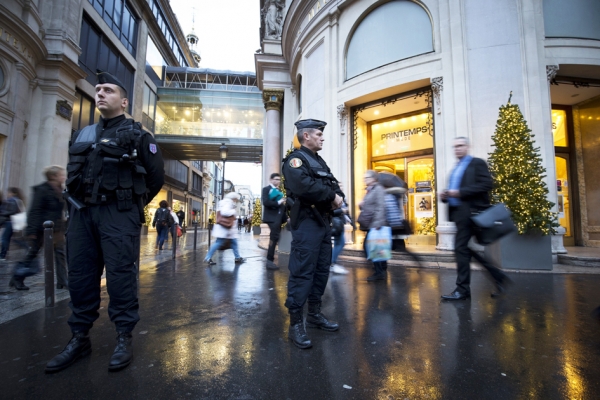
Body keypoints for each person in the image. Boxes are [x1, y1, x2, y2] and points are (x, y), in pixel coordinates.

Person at [45, 70, 165, 373]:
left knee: (121, 275)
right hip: (82, 215)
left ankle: (124, 337)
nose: (100, 94)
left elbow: (155, 178)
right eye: (98, 89)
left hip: (117, 213)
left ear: (123, 101)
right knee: (82, 276)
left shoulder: (139, 136)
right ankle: (79, 338)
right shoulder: (83, 134)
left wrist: (128, 205)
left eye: (108, 90)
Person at [281, 118, 344, 349]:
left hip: (323, 223)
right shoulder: (295, 160)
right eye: (318, 134)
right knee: (302, 272)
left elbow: (335, 185)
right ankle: (296, 324)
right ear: (305, 136)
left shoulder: (319, 162)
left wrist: (338, 196)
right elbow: (303, 187)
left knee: (320, 270)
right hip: (307, 223)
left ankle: (315, 314)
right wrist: (331, 196)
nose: (323, 137)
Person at [440, 136, 510, 300]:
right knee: (464, 249)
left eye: (460, 145)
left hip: (471, 213)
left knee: (460, 249)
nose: (457, 149)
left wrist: (459, 192)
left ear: (468, 146)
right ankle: (498, 277)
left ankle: (462, 290)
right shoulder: (456, 168)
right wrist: (445, 195)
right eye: (455, 146)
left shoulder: (476, 163)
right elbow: (453, 191)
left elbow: (487, 184)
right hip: (459, 214)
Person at [9, 166, 69, 291]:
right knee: (32, 254)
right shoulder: (42, 190)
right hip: (41, 230)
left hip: (56, 229)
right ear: (53, 176)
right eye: (61, 175)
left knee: (60, 254)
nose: (63, 177)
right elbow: (34, 211)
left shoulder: (61, 190)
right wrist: (31, 231)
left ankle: (62, 280)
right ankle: (17, 277)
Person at [358, 171, 388, 281]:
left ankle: (379, 272)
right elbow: (370, 206)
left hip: (376, 224)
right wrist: (362, 205)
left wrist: (378, 224)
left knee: (369, 247)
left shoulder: (378, 189)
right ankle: (382, 269)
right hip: (371, 223)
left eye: (366, 177)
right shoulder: (370, 189)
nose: (364, 179)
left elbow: (381, 206)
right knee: (377, 247)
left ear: (373, 178)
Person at [204, 192, 246, 265]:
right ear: (233, 198)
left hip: (226, 228)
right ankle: (207, 257)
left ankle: (237, 257)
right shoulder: (228, 202)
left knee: (233, 242)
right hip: (224, 227)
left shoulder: (225, 202)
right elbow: (225, 212)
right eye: (236, 199)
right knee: (219, 243)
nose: (236, 201)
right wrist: (233, 212)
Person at [262, 173, 287, 270]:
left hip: (278, 218)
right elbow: (266, 202)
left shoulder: (279, 191)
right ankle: (269, 261)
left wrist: (286, 218)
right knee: (274, 237)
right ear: (271, 179)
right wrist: (278, 202)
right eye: (276, 179)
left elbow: (282, 207)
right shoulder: (266, 189)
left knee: (275, 237)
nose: (278, 181)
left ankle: (270, 260)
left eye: (279, 180)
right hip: (271, 218)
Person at [0, 187, 27, 261]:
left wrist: (3, 213)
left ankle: (2, 255)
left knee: (5, 238)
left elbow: (11, 211)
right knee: (12, 239)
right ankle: (28, 247)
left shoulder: (12, 200)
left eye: (9, 193)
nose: (8, 194)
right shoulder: (18, 200)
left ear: (13, 193)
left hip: (10, 222)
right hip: (13, 222)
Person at [330, 183, 350, 274]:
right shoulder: (333, 197)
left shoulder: (342, 197)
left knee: (340, 243)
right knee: (340, 243)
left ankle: (332, 262)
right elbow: (331, 211)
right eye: (339, 186)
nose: (341, 188)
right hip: (336, 223)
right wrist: (342, 210)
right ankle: (332, 263)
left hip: (340, 223)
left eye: (342, 186)